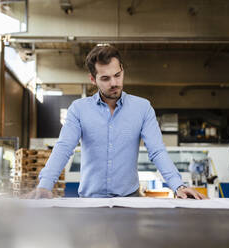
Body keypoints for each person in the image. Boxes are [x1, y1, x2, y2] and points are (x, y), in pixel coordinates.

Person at [26, 45, 206, 200]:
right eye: (105, 78)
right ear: (92, 79)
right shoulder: (78, 109)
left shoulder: (142, 108)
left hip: (130, 200)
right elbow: (64, 147)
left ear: (122, 71)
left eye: (117, 75)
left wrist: (179, 186)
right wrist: (45, 185)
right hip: (90, 202)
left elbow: (157, 151)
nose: (114, 83)